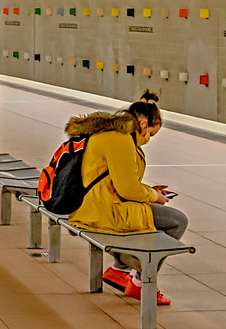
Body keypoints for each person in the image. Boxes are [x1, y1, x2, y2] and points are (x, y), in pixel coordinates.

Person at [66, 93, 184, 302]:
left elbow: (118, 180)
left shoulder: (113, 133)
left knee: (154, 217)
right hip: (102, 209)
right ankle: (141, 281)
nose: (148, 139)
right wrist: (153, 196)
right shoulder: (121, 140)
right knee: (177, 221)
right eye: (150, 133)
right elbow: (128, 189)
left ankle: (120, 270)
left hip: (94, 202)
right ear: (143, 122)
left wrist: (149, 190)